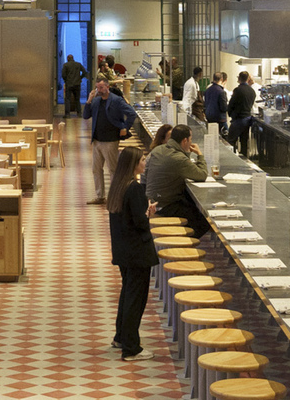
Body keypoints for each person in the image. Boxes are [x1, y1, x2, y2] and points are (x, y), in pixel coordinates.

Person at [107, 146, 155, 360]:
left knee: (128, 294)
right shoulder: (134, 188)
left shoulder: (118, 185)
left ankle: (121, 337)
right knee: (136, 298)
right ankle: (131, 348)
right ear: (134, 164)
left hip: (123, 250)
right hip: (137, 252)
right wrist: (148, 213)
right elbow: (140, 223)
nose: (145, 163)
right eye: (142, 160)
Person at [143, 123, 212, 235]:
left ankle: (179, 237)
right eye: (190, 139)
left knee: (190, 205)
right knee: (204, 221)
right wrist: (200, 154)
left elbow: (147, 173)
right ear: (185, 141)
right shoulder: (178, 158)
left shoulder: (158, 150)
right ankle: (181, 242)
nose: (191, 142)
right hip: (166, 205)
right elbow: (202, 174)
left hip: (151, 199)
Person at [83, 78, 139, 204]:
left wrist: (125, 127)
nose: (99, 90)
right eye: (97, 88)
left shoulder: (116, 100)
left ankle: (114, 196)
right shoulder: (96, 100)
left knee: (112, 169)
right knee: (96, 169)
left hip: (110, 140)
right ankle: (100, 196)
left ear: (107, 87)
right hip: (97, 140)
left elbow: (131, 113)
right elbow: (86, 116)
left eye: (101, 87)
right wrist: (89, 100)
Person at [226, 71, 258, 155]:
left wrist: (230, 113)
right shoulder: (252, 91)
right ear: (248, 79)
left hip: (238, 119)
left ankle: (231, 157)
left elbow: (231, 104)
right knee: (244, 141)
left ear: (239, 79)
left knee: (231, 141)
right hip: (247, 119)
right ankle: (244, 159)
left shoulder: (237, 90)